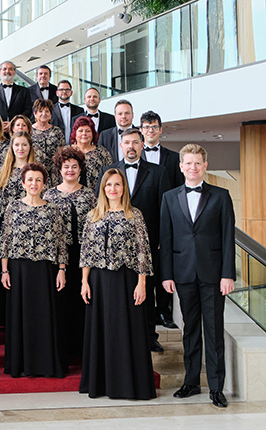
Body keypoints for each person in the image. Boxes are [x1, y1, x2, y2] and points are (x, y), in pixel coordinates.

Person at [161, 144, 235, 408]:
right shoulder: (169, 198)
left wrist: (228, 274)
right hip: (182, 274)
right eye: (188, 163)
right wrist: (166, 274)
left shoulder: (221, 196)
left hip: (214, 274)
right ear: (181, 166)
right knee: (190, 329)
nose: (193, 167)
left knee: (214, 331)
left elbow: (228, 238)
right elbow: (166, 238)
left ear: (205, 166)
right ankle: (191, 382)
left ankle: (216, 387)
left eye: (197, 163)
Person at [79, 168, 155, 400]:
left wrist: (142, 283)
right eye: (109, 185)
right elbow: (86, 252)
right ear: (103, 189)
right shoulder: (93, 215)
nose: (113, 189)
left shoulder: (135, 215)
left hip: (127, 279)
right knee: (101, 330)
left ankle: (130, 384)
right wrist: (84, 281)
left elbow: (144, 251)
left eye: (117, 185)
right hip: (99, 281)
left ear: (124, 188)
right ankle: (101, 384)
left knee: (127, 330)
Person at [99, 128, 171, 353]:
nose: (131, 146)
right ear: (120, 146)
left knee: (147, 292)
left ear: (142, 145)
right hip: (115, 248)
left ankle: (149, 336)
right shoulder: (108, 172)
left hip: (148, 245)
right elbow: (100, 209)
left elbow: (164, 210)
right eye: (126, 142)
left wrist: (161, 241)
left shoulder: (159, 172)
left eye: (135, 142)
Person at [0, 162, 68, 378]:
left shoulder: (53, 208)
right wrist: (4, 271)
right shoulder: (13, 207)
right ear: (23, 183)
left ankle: (46, 365)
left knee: (45, 317)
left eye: (38, 180)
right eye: (30, 180)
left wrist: (62, 269)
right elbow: (5, 241)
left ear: (45, 183)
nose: (34, 183)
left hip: (46, 270)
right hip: (19, 270)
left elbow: (60, 242)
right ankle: (21, 364)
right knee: (21, 317)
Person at [43, 147, 97, 357]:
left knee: (82, 300)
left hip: (83, 255)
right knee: (60, 302)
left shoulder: (90, 195)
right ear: (59, 169)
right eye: (66, 167)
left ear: (81, 169)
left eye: (75, 166)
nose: (71, 170)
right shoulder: (49, 195)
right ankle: (61, 351)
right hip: (57, 257)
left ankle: (82, 350)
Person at [140, 110, 181, 329]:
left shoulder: (173, 159)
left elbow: (176, 193)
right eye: (146, 127)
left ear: (160, 130)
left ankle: (164, 312)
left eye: (154, 126)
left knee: (163, 268)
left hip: (163, 223)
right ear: (141, 130)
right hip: (141, 223)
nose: (150, 131)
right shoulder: (136, 157)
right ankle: (147, 315)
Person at [0, 131, 37, 245]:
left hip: (31, 222)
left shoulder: (37, 170)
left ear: (30, 146)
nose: (20, 148)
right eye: (17, 145)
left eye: (24, 144)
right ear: (11, 147)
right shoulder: (3, 171)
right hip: (6, 222)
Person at [70, 116, 112, 191]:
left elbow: (110, 174)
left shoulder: (102, 152)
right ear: (75, 134)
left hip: (96, 196)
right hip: (70, 196)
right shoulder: (67, 152)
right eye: (80, 131)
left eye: (88, 131)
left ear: (93, 134)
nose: (84, 133)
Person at [31, 99, 66, 185]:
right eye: (40, 111)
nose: (44, 113)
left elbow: (63, 151)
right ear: (35, 114)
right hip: (35, 170)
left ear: (50, 114)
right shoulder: (29, 131)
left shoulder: (57, 131)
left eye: (47, 111)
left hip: (55, 171)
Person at [51, 80, 84, 144]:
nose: (64, 92)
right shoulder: (50, 109)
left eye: (67, 90)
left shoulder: (79, 110)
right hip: (55, 146)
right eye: (61, 89)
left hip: (74, 146)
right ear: (57, 93)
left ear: (71, 93)